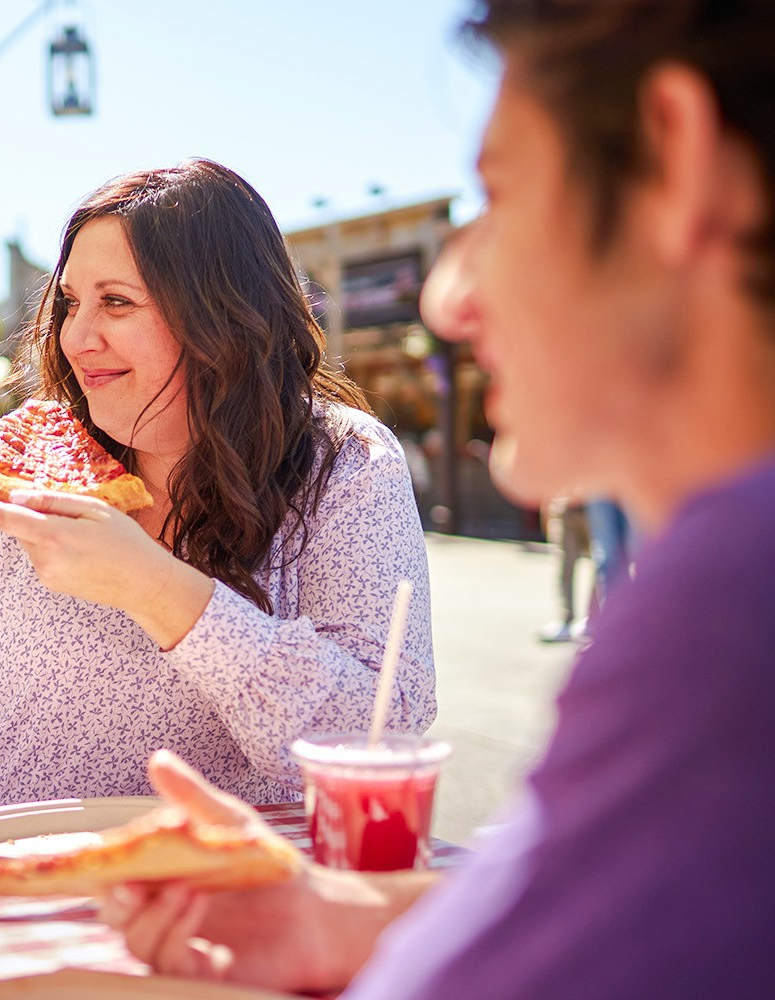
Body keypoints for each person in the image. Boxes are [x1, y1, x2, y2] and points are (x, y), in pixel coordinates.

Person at [99, 2, 775, 995]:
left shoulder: (731, 601)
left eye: (496, 195)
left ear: (672, 160)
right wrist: (350, 912)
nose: (447, 298)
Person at [0, 159, 436, 838]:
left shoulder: (343, 464)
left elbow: (379, 730)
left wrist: (158, 591)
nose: (76, 336)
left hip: (226, 905)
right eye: (71, 302)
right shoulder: (14, 466)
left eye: (117, 302)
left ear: (226, 316)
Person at [538, 493, 590, 642]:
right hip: (563, 508)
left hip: (593, 510)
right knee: (564, 566)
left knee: (600, 566)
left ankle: (591, 619)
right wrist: (547, 510)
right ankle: (565, 620)